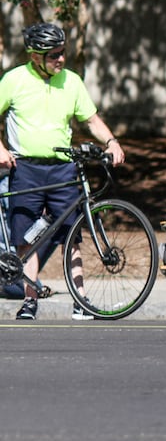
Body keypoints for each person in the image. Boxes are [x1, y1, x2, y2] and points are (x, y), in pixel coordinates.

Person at [0, 22, 124, 320]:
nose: (61, 59)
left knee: (72, 236)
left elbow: (91, 119)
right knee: (25, 240)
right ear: (35, 56)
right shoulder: (14, 80)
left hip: (63, 169)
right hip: (25, 167)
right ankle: (29, 300)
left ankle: (81, 301)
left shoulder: (71, 81)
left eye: (62, 52)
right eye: (53, 54)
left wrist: (111, 141)